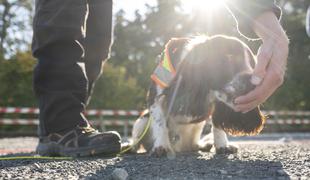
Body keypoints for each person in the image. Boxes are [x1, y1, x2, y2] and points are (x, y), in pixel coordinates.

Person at [32, 0, 288, 157]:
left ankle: (75, 117)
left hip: (191, 132)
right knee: (64, 20)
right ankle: (61, 128)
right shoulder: (174, 62)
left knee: (98, 42)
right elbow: (155, 98)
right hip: (163, 130)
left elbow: (216, 98)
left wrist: (264, 19)